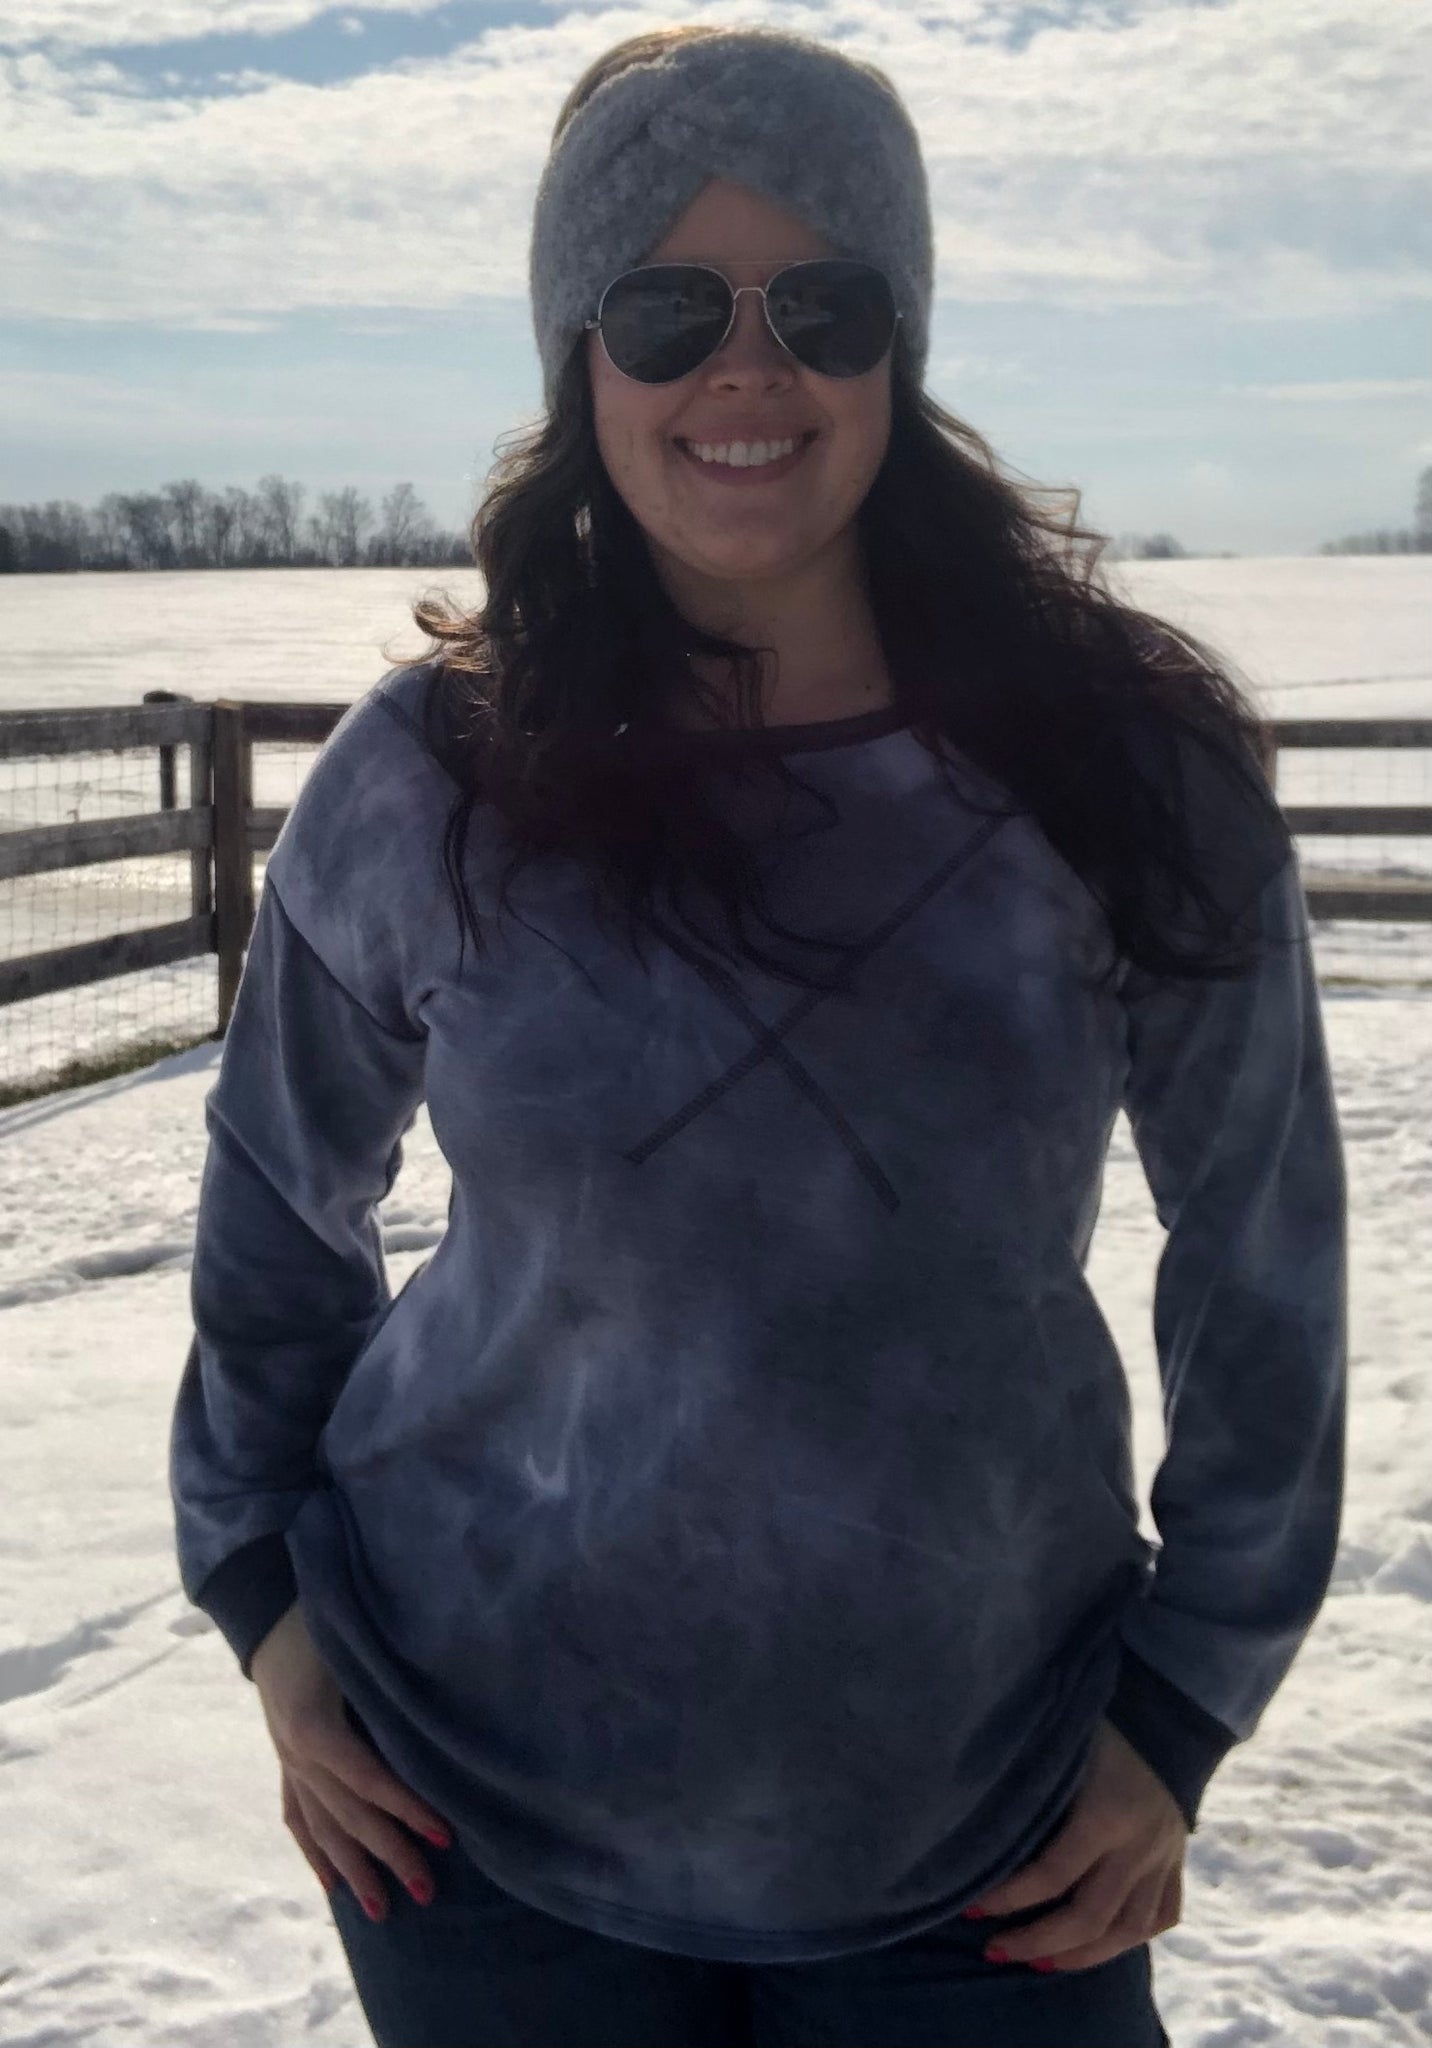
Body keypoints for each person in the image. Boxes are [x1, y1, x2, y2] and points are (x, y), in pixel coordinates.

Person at [169, 23, 1347, 2048]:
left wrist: (1183, 1701)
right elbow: (281, 1198)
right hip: (469, 1809)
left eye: (822, 305)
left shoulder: (1122, 764)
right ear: (578, 359)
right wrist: (266, 1598)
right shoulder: (434, 774)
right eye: (666, 309)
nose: (746, 370)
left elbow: (1264, 1258)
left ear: (899, 344)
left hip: (983, 1820)